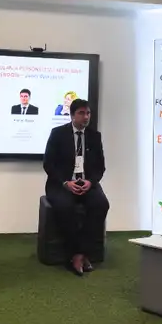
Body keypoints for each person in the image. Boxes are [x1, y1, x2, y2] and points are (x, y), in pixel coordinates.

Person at [43, 98, 108, 276]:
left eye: (88, 113)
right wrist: (66, 182)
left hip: (86, 183)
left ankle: (80, 253)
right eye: (81, 113)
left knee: (101, 204)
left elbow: (100, 167)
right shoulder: (58, 134)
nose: (86, 117)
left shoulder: (94, 136)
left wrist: (91, 182)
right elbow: (48, 164)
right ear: (72, 115)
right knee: (65, 207)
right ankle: (76, 253)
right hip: (61, 184)